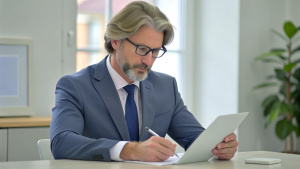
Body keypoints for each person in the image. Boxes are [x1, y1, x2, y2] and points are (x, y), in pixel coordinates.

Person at [50, 1, 238, 162]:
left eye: (155, 51)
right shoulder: (75, 86)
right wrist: (129, 150)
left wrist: (220, 147)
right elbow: (61, 142)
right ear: (115, 41)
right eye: (141, 49)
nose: (148, 61)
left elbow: (195, 139)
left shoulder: (166, 87)